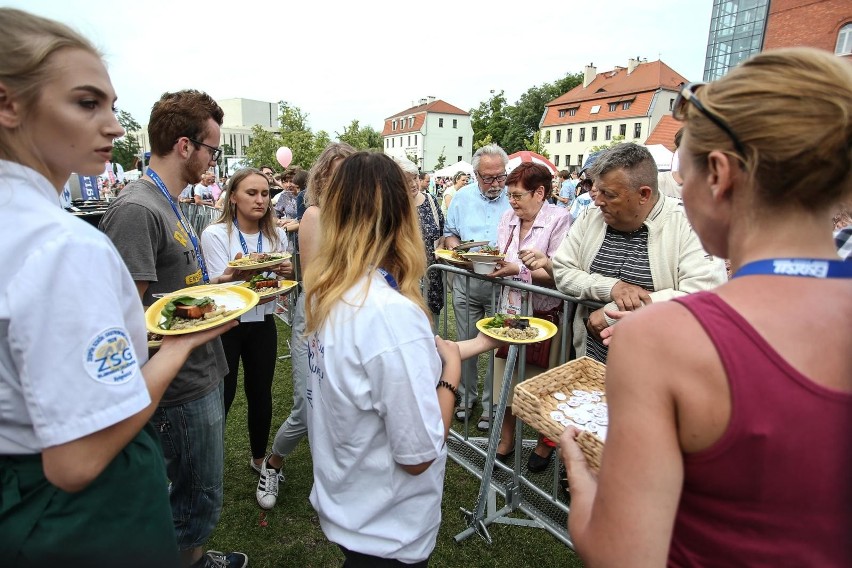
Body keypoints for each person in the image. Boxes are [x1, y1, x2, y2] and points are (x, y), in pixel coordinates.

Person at [559, 47, 852, 567]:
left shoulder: (662, 339)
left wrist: (583, 487)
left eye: (682, 177)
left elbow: (622, 554)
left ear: (719, 175)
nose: (680, 193)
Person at [0, 8, 234, 566]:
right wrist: (180, 343)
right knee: (191, 494)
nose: (113, 126)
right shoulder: (63, 243)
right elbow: (77, 459)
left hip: (34, 498)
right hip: (84, 518)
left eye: (110, 104)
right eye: (86, 103)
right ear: (9, 103)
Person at [302, 151, 501, 566]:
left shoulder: (330, 292)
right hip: (386, 530)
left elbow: (392, 364)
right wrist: (450, 376)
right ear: (401, 217)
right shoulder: (389, 314)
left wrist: (484, 342)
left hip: (350, 506)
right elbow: (418, 455)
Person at [100, 90, 248, 568]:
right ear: (185, 146)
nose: (213, 159)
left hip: (197, 371)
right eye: (212, 149)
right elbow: (128, 317)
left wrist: (219, 287)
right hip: (178, 386)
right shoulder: (138, 209)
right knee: (192, 497)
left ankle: (195, 558)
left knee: (198, 491)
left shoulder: (167, 202)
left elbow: (170, 291)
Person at [521, 142, 727, 364]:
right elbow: (562, 271)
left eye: (609, 194)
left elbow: (705, 297)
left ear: (644, 195)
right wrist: (611, 288)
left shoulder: (690, 225)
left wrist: (613, 314)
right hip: (592, 362)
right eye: (596, 190)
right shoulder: (591, 216)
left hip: (659, 370)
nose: (598, 201)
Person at [258, 142, 356, 510]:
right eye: (334, 173)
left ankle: (332, 481)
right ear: (321, 178)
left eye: (349, 172)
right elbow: (316, 281)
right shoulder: (315, 215)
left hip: (349, 322)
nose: (342, 181)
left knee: (340, 405)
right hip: (315, 321)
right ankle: (273, 462)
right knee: (307, 405)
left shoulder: (360, 218)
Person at [200, 168, 294, 499]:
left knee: (260, 393)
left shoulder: (276, 236)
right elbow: (213, 284)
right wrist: (233, 275)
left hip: (261, 323)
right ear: (233, 197)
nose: (260, 199)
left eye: (265, 194)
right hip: (227, 324)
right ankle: (208, 465)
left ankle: (259, 459)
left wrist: (284, 272)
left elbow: (279, 286)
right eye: (251, 193)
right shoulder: (215, 234)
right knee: (220, 396)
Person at [486, 162, 571, 471]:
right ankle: (506, 440)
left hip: (543, 314)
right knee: (503, 376)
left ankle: (544, 444)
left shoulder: (560, 219)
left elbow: (560, 275)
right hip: (510, 311)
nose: (512, 202)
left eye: (518, 195)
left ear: (540, 192)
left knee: (543, 383)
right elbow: (500, 255)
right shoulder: (508, 218)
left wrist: (518, 271)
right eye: (510, 196)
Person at [443, 144, 511, 431]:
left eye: (500, 177)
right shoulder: (461, 198)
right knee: (465, 343)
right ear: (475, 174)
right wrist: (458, 253)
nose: (495, 184)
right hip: (467, 283)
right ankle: (466, 398)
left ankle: (491, 404)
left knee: (498, 347)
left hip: (502, 284)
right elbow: (450, 234)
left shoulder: (513, 197)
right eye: (488, 178)